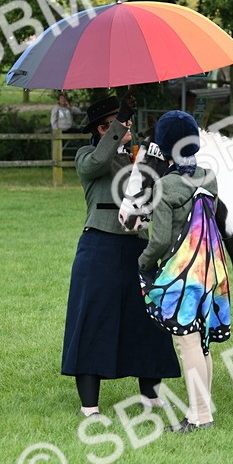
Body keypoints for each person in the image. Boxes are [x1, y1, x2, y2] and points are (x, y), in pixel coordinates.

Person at [63, 94, 180, 416]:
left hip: (138, 245)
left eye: (125, 120)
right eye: (114, 122)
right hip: (100, 245)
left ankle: (152, 395)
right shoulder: (87, 155)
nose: (125, 126)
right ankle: (90, 405)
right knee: (92, 321)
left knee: (148, 321)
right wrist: (118, 126)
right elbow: (96, 164)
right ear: (101, 128)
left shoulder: (136, 158)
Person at [138, 111, 230, 433]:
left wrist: (143, 262)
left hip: (182, 273)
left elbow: (161, 239)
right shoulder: (209, 176)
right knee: (202, 341)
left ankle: (200, 416)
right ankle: (201, 410)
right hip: (212, 268)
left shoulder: (166, 185)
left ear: (164, 149)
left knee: (187, 342)